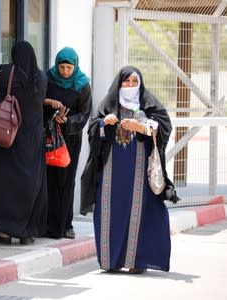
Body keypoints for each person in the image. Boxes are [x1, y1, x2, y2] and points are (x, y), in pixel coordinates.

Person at [80, 65, 180, 274]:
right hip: (111, 171)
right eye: (126, 82)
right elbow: (92, 128)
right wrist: (103, 123)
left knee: (140, 212)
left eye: (134, 82)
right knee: (110, 211)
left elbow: (164, 127)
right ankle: (111, 260)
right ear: (119, 83)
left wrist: (141, 127)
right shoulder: (109, 103)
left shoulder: (149, 104)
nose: (130, 86)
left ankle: (136, 261)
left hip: (139, 171)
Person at [0, 41, 48, 245]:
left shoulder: (7, 73)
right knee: (30, 183)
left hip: (8, 137)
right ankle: (26, 231)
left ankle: (5, 232)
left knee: (5, 182)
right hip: (33, 140)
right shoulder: (41, 77)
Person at [43, 47, 92, 239]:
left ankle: (66, 224)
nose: (64, 72)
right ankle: (49, 224)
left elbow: (85, 113)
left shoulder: (82, 84)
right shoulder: (48, 79)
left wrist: (68, 121)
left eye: (68, 68)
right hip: (49, 136)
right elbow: (38, 102)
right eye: (62, 67)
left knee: (66, 180)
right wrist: (49, 104)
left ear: (75, 67)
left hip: (70, 138)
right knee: (50, 179)